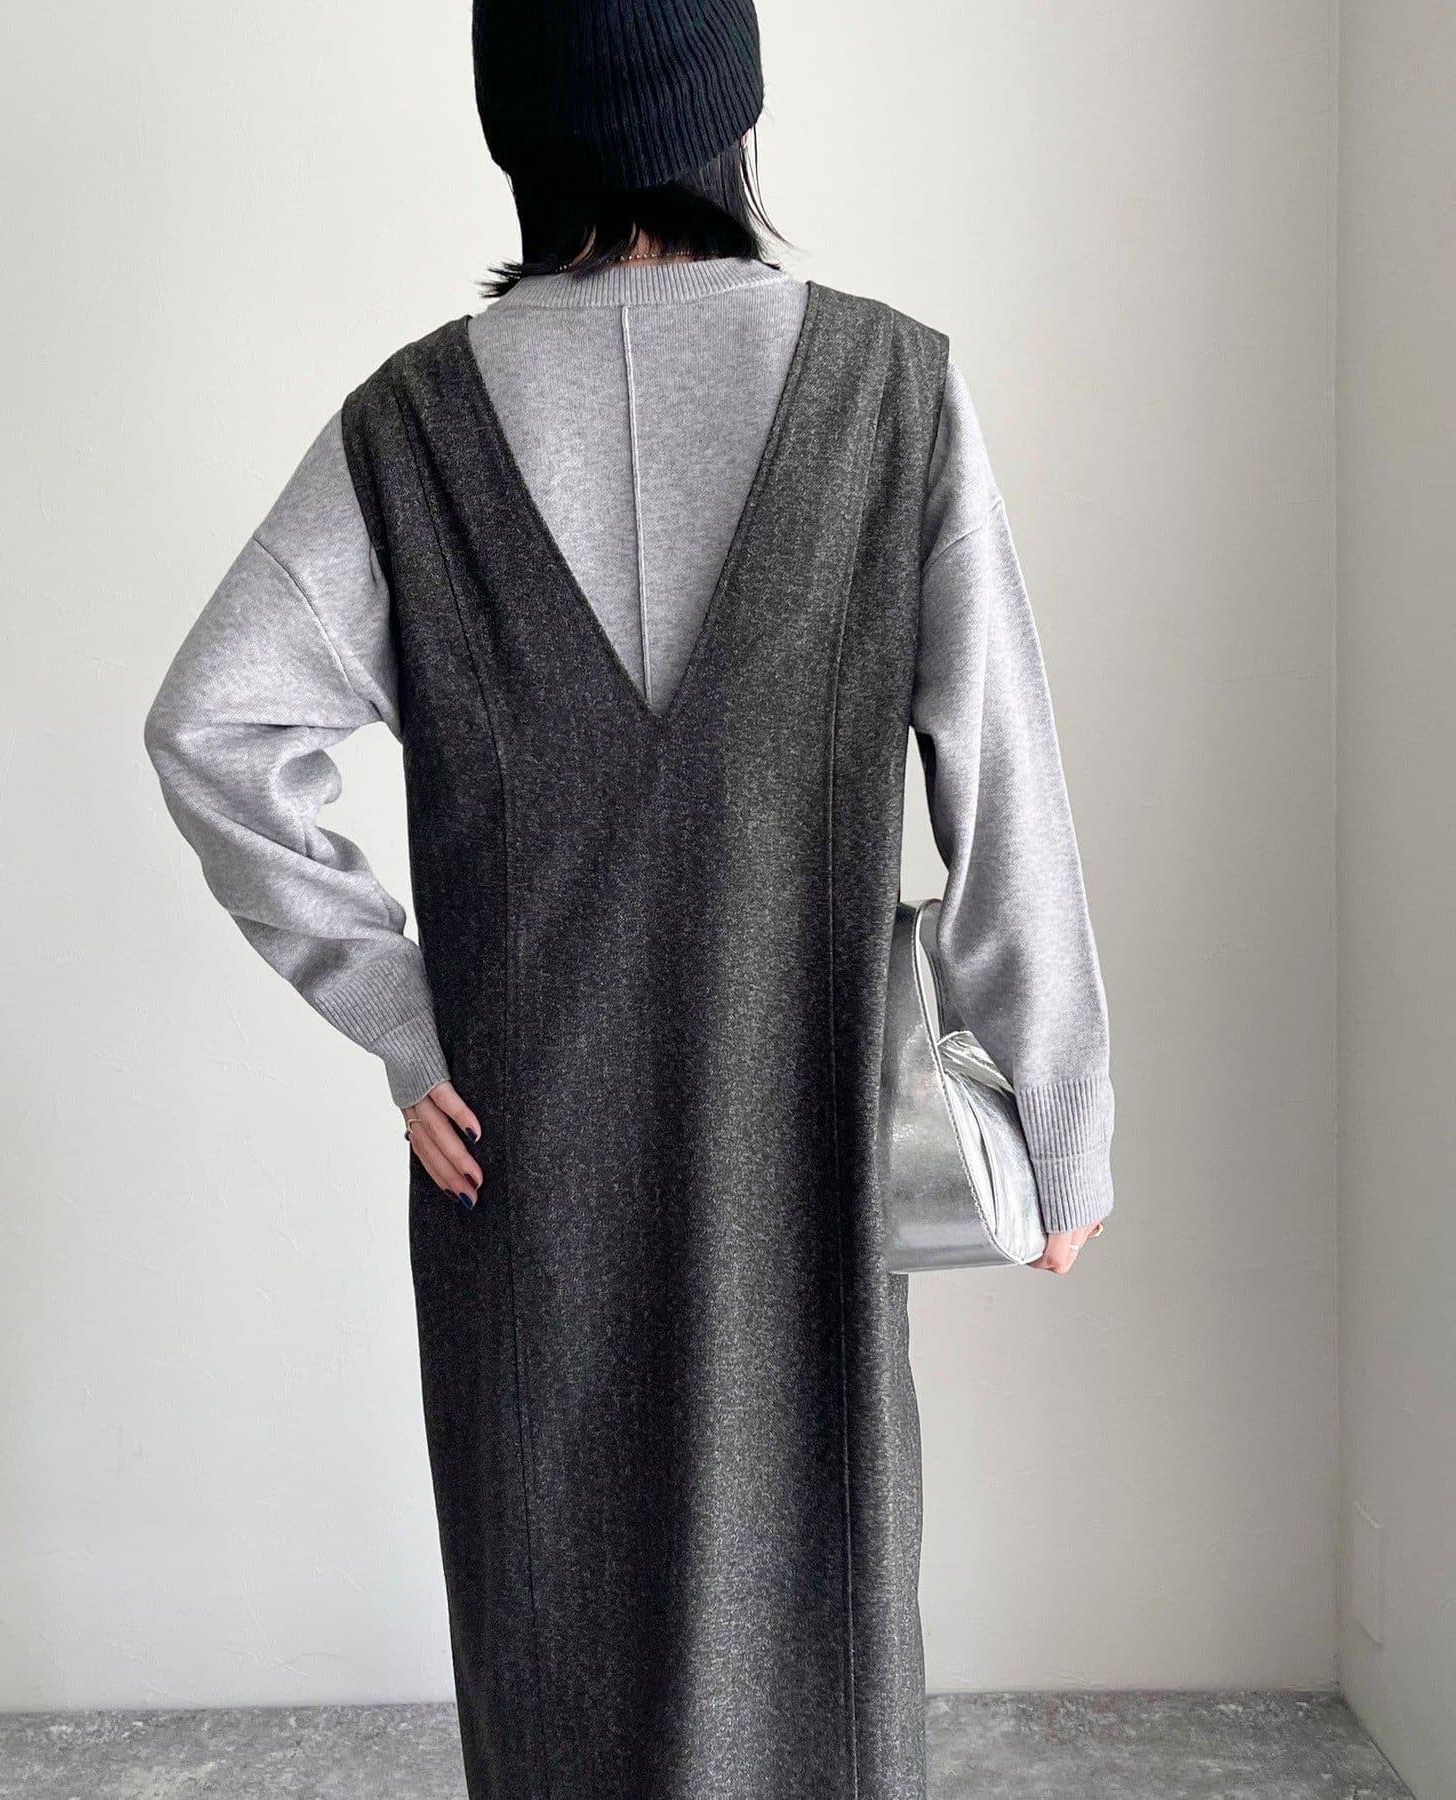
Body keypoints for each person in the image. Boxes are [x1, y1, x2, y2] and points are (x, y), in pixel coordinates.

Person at [144, 2, 1115, 1794]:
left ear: (515, 127)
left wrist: (400, 1014)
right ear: (731, 105)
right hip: (795, 1157)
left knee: (554, 1635)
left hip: (525, 1167)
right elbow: (1002, 772)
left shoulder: (412, 427)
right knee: (818, 1638)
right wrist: (1058, 1126)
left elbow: (212, 726)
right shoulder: (891, 391)